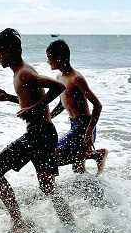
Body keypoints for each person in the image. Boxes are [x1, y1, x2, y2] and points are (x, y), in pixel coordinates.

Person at [0, 28, 71, 233]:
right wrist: (9, 98)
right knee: (47, 186)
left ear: (8, 50)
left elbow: (59, 86)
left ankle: (19, 222)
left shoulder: (24, 72)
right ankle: (70, 226)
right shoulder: (20, 73)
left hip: (39, 134)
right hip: (43, 134)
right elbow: (29, 101)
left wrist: (34, 108)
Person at [45, 40, 108, 174]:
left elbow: (97, 105)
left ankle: (97, 155)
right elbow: (63, 104)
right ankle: (92, 191)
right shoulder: (59, 77)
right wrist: (48, 117)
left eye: (50, 58)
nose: (48, 61)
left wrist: (89, 131)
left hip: (84, 126)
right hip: (74, 125)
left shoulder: (76, 78)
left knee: (53, 156)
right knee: (78, 170)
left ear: (60, 58)